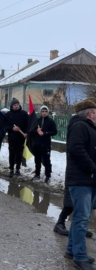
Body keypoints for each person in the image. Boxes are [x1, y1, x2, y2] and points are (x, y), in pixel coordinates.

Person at [63, 98, 96, 269]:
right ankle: (80, 256)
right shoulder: (80, 126)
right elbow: (76, 149)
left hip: (88, 179)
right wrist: (92, 168)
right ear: (90, 113)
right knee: (82, 219)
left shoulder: (87, 126)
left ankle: (71, 250)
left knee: (80, 217)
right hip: (81, 179)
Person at [31, 106, 57, 183]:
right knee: (37, 160)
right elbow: (31, 131)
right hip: (37, 144)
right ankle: (37, 174)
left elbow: (54, 132)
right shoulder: (37, 121)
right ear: (40, 112)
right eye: (42, 111)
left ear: (47, 112)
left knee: (46, 161)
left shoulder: (51, 122)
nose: (44, 113)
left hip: (46, 145)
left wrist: (45, 133)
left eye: (45, 111)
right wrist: (37, 131)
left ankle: (48, 176)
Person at [5, 98, 28, 178]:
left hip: (21, 138)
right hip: (12, 138)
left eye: (17, 104)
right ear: (12, 106)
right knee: (12, 154)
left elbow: (27, 124)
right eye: (15, 105)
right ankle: (11, 169)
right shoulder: (8, 115)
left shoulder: (24, 114)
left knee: (19, 154)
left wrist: (26, 132)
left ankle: (18, 169)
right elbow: (5, 126)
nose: (16, 106)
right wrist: (12, 128)